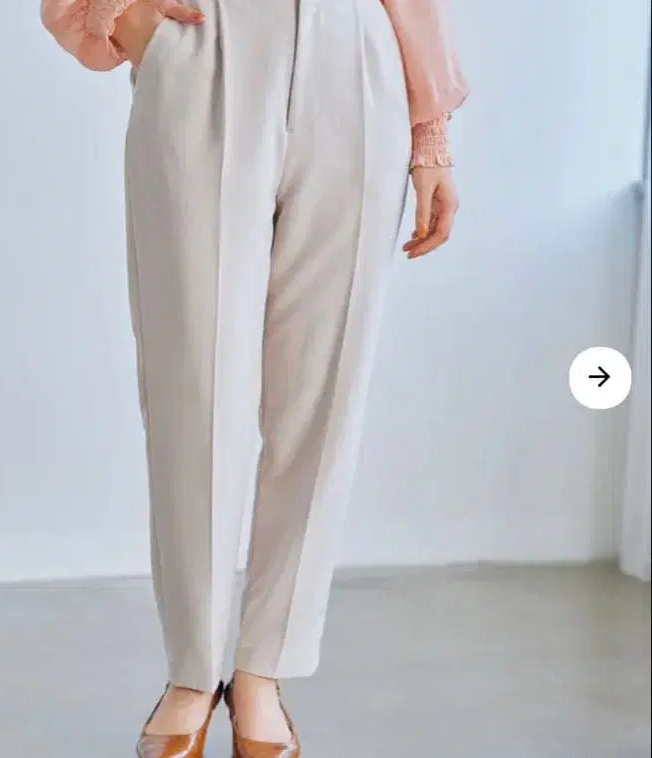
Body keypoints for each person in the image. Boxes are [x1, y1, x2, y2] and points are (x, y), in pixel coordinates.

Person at [41, 0, 468, 755]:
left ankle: (263, 671)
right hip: (206, 43)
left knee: (323, 392)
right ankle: (192, 670)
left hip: (355, 56)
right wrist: (121, 15)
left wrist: (429, 133)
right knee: (195, 389)